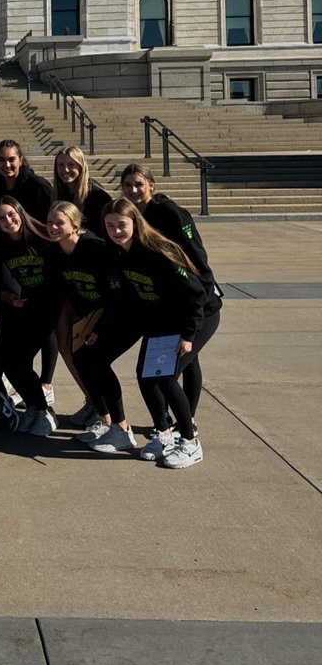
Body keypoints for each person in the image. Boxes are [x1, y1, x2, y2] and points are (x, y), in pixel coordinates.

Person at [100, 198, 209, 467]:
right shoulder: (118, 253)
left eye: (122, 225)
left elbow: (196, 294)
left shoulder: (158, 250)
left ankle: (191, 441)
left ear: (135, 223)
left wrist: (188, 335)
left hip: (195, 315)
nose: (116, 231)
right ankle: (164, 433)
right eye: (110, 225)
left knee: (166, 377)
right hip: (161, 319)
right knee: (145, 375)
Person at [119, 164, 222, 432]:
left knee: (167, 372)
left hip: (196, 301)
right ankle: (174, 422)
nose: (133, 190)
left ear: (151, 185)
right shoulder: (129, 215)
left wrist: (203, 289)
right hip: (167, 306)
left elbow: (196, 255)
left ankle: (187, 423)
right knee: (188, 362)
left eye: (138, 184)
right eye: (127, 185)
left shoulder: (170, 213)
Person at [46, 201, 119, 428]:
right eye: (50, 222)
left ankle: (109, 418)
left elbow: (115, 294)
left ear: (75, 225)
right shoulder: (54, 252)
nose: (53, 227)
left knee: (94, 362)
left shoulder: (95, 248)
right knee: (73, 353)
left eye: (59, 222)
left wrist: (100, 327)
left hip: (110, 314)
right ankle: (96, 405)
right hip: (84, 314)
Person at [0, 196, 60, 433]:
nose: (8, 221)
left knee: (17, 362)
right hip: (18, 312)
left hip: (46, 312)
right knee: (10, 362)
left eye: (11, 214)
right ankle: (34, 407)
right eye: (1, 218)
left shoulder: (43, 239)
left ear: (20, 212)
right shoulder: (0, 247)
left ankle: (43, 412)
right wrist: (6, 297)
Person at [0, 139, 53, 223]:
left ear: (20, 160)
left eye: (11, 160)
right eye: (1, 160)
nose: (7, 165)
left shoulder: (39, 186)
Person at [53, 146, 112, 230]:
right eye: (61, 165)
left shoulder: (98, 196)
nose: (65, 170)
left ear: (80, 166)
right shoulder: (57, 194)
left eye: (71, 165)